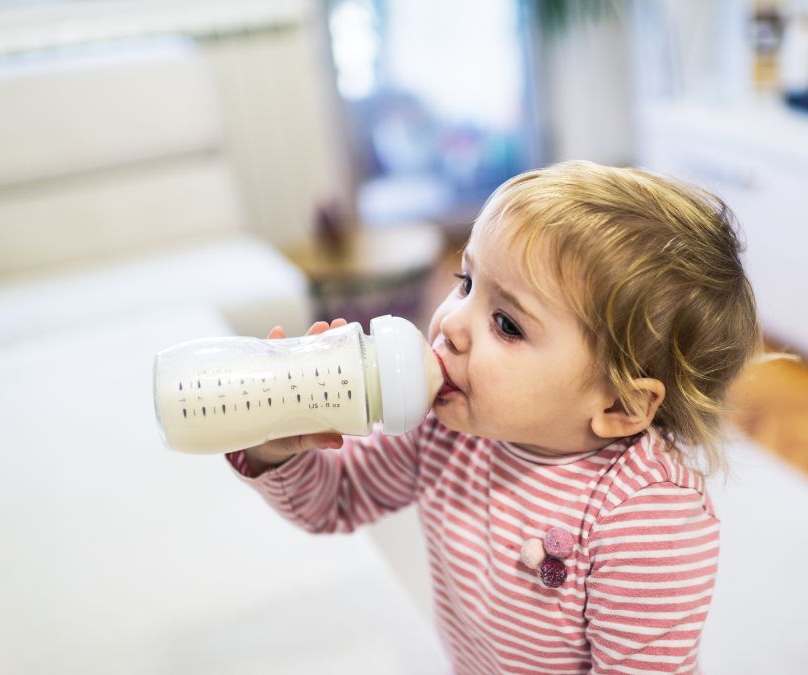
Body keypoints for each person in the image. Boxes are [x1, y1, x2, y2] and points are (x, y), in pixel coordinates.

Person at [226, 160, 762, 673]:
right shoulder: (444, 428)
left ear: (619, 405)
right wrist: (278, 441)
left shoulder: (646, 519)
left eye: (506, 323)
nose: (452, 324)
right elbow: (332, 501)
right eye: (465, 282)